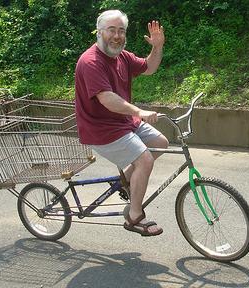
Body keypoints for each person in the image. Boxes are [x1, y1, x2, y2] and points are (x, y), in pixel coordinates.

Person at [75, 10, 168, 236]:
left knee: (160, 142)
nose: (117, 36)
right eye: (112, 30)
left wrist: (157, 47)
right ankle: (134, 216)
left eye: (121, 31)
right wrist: (139, 111)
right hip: (101, 129)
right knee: (144, 159)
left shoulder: (122, 56)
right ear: (99, 32)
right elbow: (107, 99)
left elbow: (149, 67)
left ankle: (125, 179)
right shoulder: (91, 61)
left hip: (123, 122)